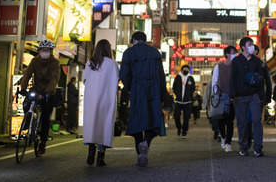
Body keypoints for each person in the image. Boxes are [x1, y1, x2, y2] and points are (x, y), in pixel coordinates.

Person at [119, 31, 167, 167]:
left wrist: (129, 88)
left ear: (133, 39)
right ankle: (145, 143)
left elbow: (124, 74)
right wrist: (163, 95)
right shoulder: (155, 52)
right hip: (154, 91)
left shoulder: (129, 53)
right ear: (146, 40)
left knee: (137, 122)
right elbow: (161, 76)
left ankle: (140, 153)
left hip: (137, 91)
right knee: (152, 120)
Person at [230, 37, 270, 157]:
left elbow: (261, 79)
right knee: (242, 122)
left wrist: (262, 95)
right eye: (249, 44)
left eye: (252, 44)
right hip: (240, 96)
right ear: (243, 47)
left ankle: (258, 147)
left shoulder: (257, 61)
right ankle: (243, 146)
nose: (252, 46)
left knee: (256, 121)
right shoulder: (236, 61)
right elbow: (232, 78)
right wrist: (232, 94)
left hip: (254, 95)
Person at [19, 39, 60, 155]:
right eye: (42, 50)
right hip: (36, 89)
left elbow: (55, 78)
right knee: (26, 103)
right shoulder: (34, 61)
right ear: (39, 51)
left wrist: (47, 92)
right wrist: (23, 87)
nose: (44, 52)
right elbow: (27, 73)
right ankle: (28, 120)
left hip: (49, 92)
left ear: (51, 52)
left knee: (46, 117)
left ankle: (42, 143)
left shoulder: (55, 63)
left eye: (47, 50)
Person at [83, 39, 119, 167]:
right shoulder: (112, 64)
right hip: (106, 98)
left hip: (91, 99)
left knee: (92, 124)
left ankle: (90, 152)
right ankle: (100, 157)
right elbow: (116, 81)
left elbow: (85, 80)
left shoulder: (90, 63)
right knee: (104, 124)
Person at [211, 45, 237, 152]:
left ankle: (228, 143)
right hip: (221, 97)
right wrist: (215, 96)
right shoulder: (219, 66)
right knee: (221, 120)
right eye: (233, 52)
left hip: (232, 97)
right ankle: (223, 137)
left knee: (230, 121)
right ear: (227, 54)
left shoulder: (236, 67)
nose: (235, 54)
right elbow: (214, 82)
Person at [172, 64, 195, 138]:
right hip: (178, 101)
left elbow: (193, 88)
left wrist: (189, 96)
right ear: (182, 70)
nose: (186, 70)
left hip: (187, 102)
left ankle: (184, 132)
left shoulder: (190, 78)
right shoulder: (178, 77)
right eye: (184, 69)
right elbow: (174, 87)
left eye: (187, 69)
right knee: (176, 116)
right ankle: (179, 128)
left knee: (186, 118)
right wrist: (177, 94)